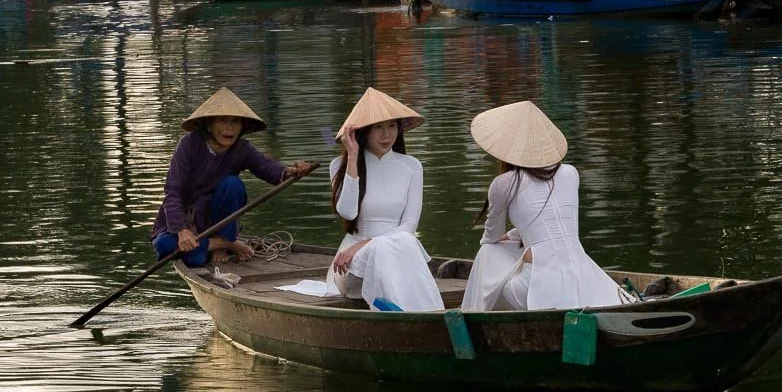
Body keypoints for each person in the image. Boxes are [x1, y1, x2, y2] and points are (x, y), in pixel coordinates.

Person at [463, 100, 624, 312]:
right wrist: (515, 235)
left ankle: (473, 314)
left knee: (487, 251)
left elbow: (491, 236)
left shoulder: (504, 183)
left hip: (533, 289)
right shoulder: (570, 173)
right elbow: (551, 220)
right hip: (581, 278)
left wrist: (507, 237)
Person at [153, 88, 315, 267]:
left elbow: (267, 167)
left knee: (233, 184)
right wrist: (182, 230)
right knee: (165, 245)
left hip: (218, 219)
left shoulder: (241, 149)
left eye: (235, 121)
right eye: (222, 121)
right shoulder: (188, 145)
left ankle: (220, 241)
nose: (229, 127)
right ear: (209, 125)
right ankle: (225, 244)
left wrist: (291, 171)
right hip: (187, 218)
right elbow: (173, 191)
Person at [325, 87, 443, 312]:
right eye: (378, 127)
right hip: (352, 267)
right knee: (393, 248)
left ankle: (424, 316)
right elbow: (348, 213)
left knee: (404, 242)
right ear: (363, 132)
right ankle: (409, 316)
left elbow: (408, 227)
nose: (386, 135)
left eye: (391, 126)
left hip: (394, 253)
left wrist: (367, 243)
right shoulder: (339, 166)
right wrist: (352, 157)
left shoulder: (411, 166)